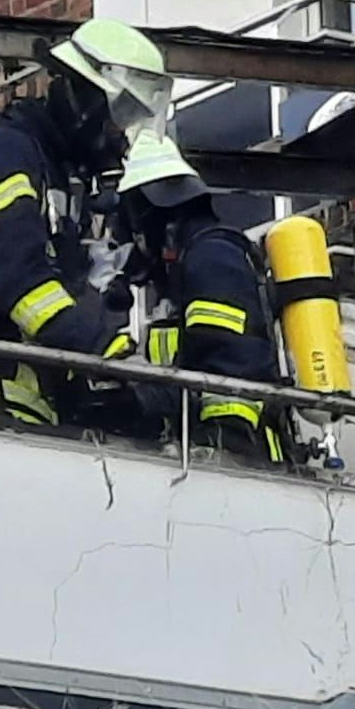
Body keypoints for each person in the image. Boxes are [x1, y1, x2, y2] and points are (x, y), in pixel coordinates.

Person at [0, 18, 171, 429]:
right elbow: (15, 279)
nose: (120, 135)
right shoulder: (3, 154)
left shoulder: (58, 173)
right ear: (79, 97)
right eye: (117, 115)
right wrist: (107, 351)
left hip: (18, 405)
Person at [115, 131, 285, 463]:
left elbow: (229, 362)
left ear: (152, 216)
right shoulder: (191, 268)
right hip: (208, 452)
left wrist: (224, 440)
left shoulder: (212, 257)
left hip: (235, 453)